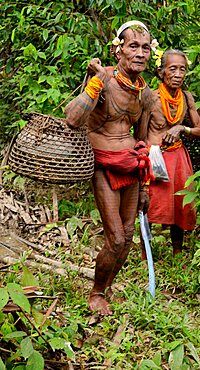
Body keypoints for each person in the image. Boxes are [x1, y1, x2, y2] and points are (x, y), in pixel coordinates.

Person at [65, 21, 154, 315]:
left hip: (131, 166)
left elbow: (141, 140)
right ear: (118, 51)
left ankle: (107, 285)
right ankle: (96, 292)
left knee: (127, 237)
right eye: (133, 46)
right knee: (115, 237)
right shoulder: (104, 80)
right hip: (103, 165)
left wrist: (145, 187)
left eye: (145, 47)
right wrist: (95, 85)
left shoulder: (146, 93)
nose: (140, 53)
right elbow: (72, 119)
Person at [145, 49, 200, 257]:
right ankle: (146, 254)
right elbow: (140, 134)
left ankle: (177, 252)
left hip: (178, 158)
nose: (178, 74)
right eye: (173, 69)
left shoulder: (187, 98)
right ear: (161, 72)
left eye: (183, 69)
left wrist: (181, 128)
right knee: (151, 203)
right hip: (155, 157)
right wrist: (145, 159)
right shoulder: (150, 98)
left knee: (181, 204)